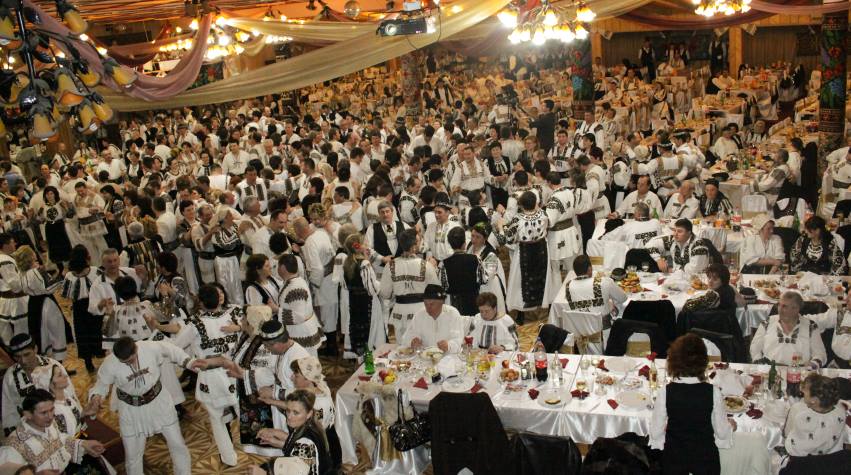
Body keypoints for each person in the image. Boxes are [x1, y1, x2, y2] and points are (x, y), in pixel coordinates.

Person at [88, 337, 199, 475]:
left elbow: (172, 349)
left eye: (131, 359)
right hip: (131, 411)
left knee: (177, 444)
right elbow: (101, 384)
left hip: (159, 403)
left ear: (136, 348)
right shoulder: (110, 363)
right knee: (132, 456)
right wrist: (96, 397)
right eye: (125, 362)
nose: (129, 363)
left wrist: (189, 362)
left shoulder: (149, 347)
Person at [172, 284, 242, 467]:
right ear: (219, 298)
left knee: (216, 419)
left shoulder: (195, 323)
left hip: (211, 377)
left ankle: (229, 458)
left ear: (200, 302)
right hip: (235, 371)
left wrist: (191, 364)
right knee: (243, 411)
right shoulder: (234, 315)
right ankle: (253, 447)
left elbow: (175, 347)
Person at [650, 334, 734, 475]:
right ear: (703, 362)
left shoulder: (666, 391)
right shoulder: (713, 392)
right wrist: (731, 425)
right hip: (705, 462)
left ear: (674, 361)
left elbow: (655, 432)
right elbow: (722, 433)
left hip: (675, 462)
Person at [225, 320, 312, 432]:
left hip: (299, 414)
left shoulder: (298, 358)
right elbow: (271, 373)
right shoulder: (280, 352)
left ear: (277, 344)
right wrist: (243, 374)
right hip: (285, 409)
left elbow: (307, 393)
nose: (266, 349)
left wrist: (274, 393)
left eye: (266, 346)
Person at [256, 357, 340, 471]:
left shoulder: (318, 406)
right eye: (288, 411)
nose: (292, 377)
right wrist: (274, 436)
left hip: (327, 460)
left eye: (296, 375)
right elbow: (297, 443)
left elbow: (304, 448)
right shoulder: (315, 391)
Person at [0, 389, 106, 472]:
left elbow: (60, 441)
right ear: (28, 414)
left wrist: (83, 444)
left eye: (52, 410)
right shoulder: (14, 445)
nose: (50, 416)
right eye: (44, 413)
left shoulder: (49, 424)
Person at [495, 190, 559, 320]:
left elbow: (508, 239)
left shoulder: (518, 219)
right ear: (535, 203)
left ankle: (521, 314)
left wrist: (501, 227)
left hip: (524, 252)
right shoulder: (543, 214)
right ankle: (547, 305)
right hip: (541, 250)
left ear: (522, 205)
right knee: (544, 277)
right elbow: (548, 225)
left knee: (519, 281)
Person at [247, 390, 332, 475]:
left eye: (296, 413)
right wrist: (275, 436)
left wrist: (263, 474)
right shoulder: (309, 426)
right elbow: (295, 448)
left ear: (309, 414)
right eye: (288, 411)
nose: (289, 416)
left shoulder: (305, 444)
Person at [1, 334, 70, 435]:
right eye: (17, 357)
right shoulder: (10, 376)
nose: (23, 361)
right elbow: (9, 408)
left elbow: (69, 397)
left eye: (27, 354)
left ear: (35, 349)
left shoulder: (53, 367)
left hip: (62, 426)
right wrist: (13, 434)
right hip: (31, 431)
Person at [379, 229, 440, 337]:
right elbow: (436, 292)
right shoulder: (426, 265)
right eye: (419, 241)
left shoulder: (390, 265)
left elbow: (385, 293)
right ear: (414, 246)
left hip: (398, 314)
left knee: (399, 345)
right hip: (421, 312)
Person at [16, 246, 67, 363]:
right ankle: (57, 363)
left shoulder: (21, 273)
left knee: (42, 333)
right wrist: (61, 278)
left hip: (33, 304)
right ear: (30, 257)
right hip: (45, 303)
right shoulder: (35, 271)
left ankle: (47, 361)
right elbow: (47, 288)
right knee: (55, 331)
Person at [750, 291, 827, 367]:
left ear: (796, 308)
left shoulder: (810, 326)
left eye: (785, 306)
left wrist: (813, 364)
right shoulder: (767, 323)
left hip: (799, 371)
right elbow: (755, 348)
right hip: (770, 370)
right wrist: (759, 364)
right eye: (779, 305)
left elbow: (820, 354)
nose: (780, 309)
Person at [336, 233, 383, 358]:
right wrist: (380, 283)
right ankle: (370, 359)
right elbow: (372, 289)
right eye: (364, 243)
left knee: (358, 331)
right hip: (368, 304)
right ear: (359, 246)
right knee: (371, 333)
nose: (366, 245)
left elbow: (344, 285)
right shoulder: (364, 264)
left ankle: (361, 358)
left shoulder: (346, 263)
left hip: (354, 303)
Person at [781, 374, 846, 459]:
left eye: (805, 389)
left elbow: (787, 433)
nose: (802, 390)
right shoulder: (841, 410)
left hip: (800, 458)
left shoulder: (798, 410)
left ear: (813, 400)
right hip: (830, 457)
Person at [62, 245, 103, 372]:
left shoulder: (69, 276)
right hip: (95, 306)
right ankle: (100, 353)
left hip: (79, 309)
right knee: (98, 331)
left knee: (83, 335)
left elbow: (67, 294)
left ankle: (88, 362)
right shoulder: (96, 271)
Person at [276, 253, 326, 356]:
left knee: (305, 362)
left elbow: (299, 316)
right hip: (299, 331)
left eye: (278, 266)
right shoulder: (293, 281)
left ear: (283, 268)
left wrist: (276, 310)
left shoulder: (295, 288)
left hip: (301, 333)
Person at [401, 284, 468, 354]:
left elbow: (458, 340)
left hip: (448, 356)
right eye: (426, 304)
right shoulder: (419, 315)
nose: (428, 308)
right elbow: (407, 336)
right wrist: (412, 341)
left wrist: (448, 346)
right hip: (424, 356)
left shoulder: (452, 314)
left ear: (442, 302)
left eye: (431, 304)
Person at [438, 227, 482, 317]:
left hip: (453, 304)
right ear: (464, 243)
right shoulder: (475, 259)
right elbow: (482, 279)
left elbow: (442, 285)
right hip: (473, 301)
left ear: (450, 244)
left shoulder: (444, 263)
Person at [645, 218, 715, 275]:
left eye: (679, 231)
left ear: (689, 233)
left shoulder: (699, 245)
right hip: (678, 278)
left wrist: (673, 269)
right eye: (674, 230)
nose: (675, 234)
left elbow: (694, 270)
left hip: (697, 280)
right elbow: (649, 244)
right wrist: (658, 260)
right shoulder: (672, 240)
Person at [467, 222, 508, 315]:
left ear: (485, 238)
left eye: (478, 237)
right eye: (472, 236)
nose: (473, 239)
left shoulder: (490, 255)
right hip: (475, 287)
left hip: (489, 287)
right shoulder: (470, 247)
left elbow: (486, 277)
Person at [0, 233, 27, 344]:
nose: (15, 244)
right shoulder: (5, 261)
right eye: (12, 242)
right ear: (5, 245)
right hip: (15, 301)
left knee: (8, 332)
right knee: (20, 332)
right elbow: (15, 285)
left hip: (6, 301)